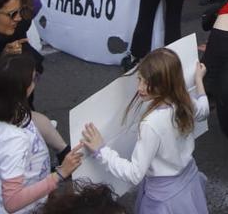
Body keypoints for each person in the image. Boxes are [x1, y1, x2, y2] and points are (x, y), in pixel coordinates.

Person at [81, 49, 211, 214]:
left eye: (148, 82)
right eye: (139, 79)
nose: (140, 87)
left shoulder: (151, 124)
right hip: (188, 184)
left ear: (165, 83)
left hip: (164, 199)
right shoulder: (183, 100)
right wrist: (199, 80)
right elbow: (204, 110)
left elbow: (134, 173)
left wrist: (101, 151)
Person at [0, 53, 83, 214]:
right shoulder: (13, 139)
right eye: (34, 79)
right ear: (20, 89)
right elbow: (12, 202)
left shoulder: (3, 108)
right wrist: (60, 174)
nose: (35, 82)